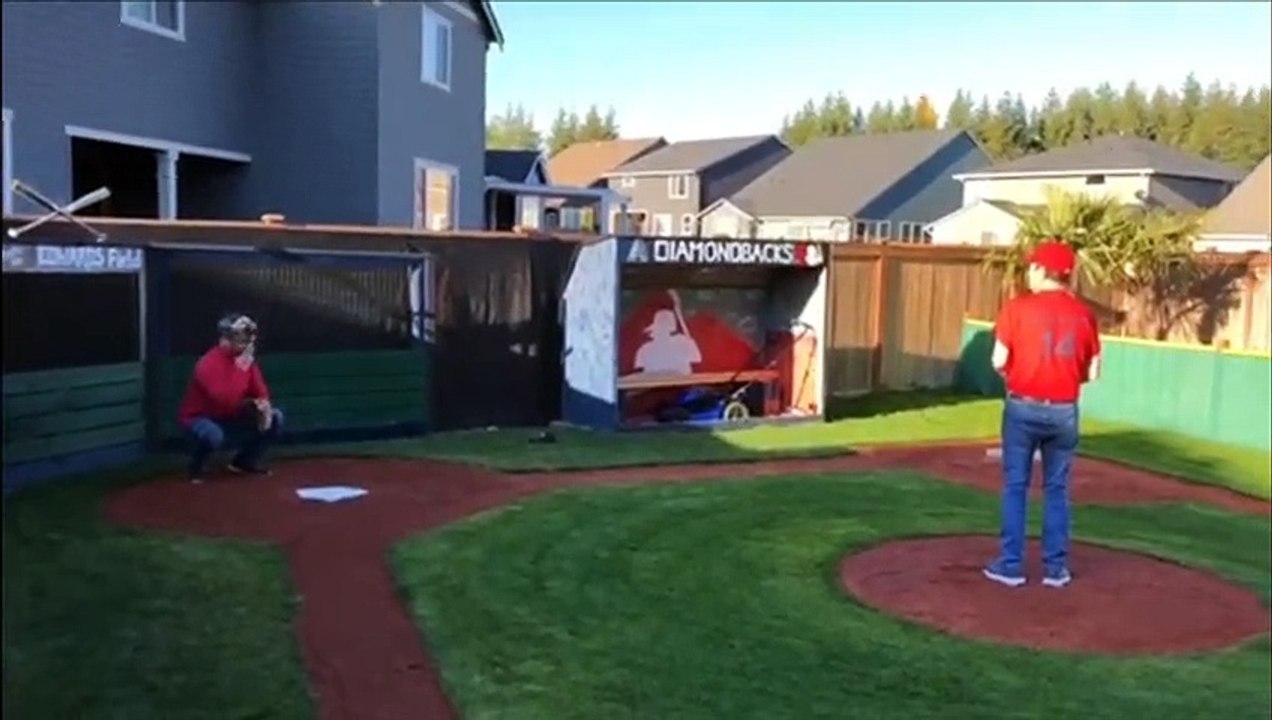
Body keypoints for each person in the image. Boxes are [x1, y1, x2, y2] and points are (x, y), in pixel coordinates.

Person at [983, 240, 1101, 589]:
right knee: (1056, 489)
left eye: (1031, 267)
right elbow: (1092, 372)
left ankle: (1010, 565)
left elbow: (998, 361)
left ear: (1039, 270)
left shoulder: (1017, 309)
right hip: (1065, 410)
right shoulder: (1084, 314)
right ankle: (1055, 569)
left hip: (1022, 406)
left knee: (1016, 486)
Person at [177, 313, 284, 483]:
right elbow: (223, 398)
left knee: (276, 416)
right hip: (200, 417)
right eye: (241, 336)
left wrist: (263, 405)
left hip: (230, 415)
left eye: (248, 336)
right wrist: (240, 369)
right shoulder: (209, 363)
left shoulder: (246, 361)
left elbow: (261, 390)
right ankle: (195, 468)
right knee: (213, 435)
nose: (247, 341)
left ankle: (244, 462)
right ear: (226, 338)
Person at [633, 289, 701, 376]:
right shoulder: (645, 349)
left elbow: (696, 358)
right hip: (653, 388)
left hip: (681, 387)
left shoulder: (682, 342)